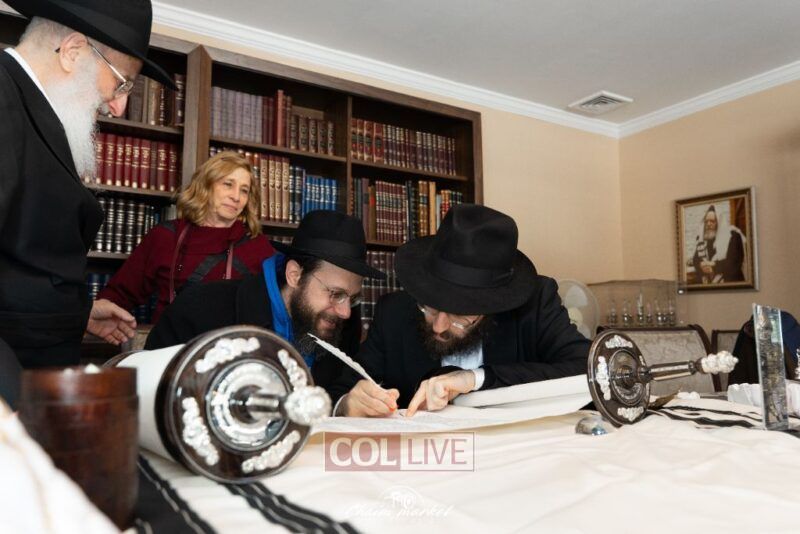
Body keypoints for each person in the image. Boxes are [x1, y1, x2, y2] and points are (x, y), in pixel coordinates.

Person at [0, 0, 176, 368]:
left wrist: (78, 312)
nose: (118, 107)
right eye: (121, 82)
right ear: (73, 51)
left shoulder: (33, 109)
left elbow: (22, 265)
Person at [331, 204, 590, 417]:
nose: (439, 326)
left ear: (492, 307)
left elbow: (587, 369)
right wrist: (348, 404)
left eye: (460, 317)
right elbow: (340, 391)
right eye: (430, 308)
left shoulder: (535, 305)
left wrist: (475, 379)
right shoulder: (394, 311)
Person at [145, 210, 385, 390]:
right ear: (294, 275)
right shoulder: (200, 309)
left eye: (352, 298)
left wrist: (345, 404)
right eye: (336, 294)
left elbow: (335, 392)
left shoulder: (342, 324)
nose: (345, 312)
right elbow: (151, 391)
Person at [92, 151, 275, 343]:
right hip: (168, 349)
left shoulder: (258, 246)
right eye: (228, 184)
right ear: (205, 185)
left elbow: (277, 309)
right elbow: (120, 294)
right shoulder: (165, 236)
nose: (236, 196)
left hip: (229, 353)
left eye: (244, 190)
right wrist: (87, 317)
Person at [691, 205, 745, 284]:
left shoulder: (733, 236)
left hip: (731, 283)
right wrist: (701, 265)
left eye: (712, 221)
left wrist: (713, 266)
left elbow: (734, 262)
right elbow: (696, 259)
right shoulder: (703, 238)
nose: (708, 224)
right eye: (706, 221)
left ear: (719, 222)